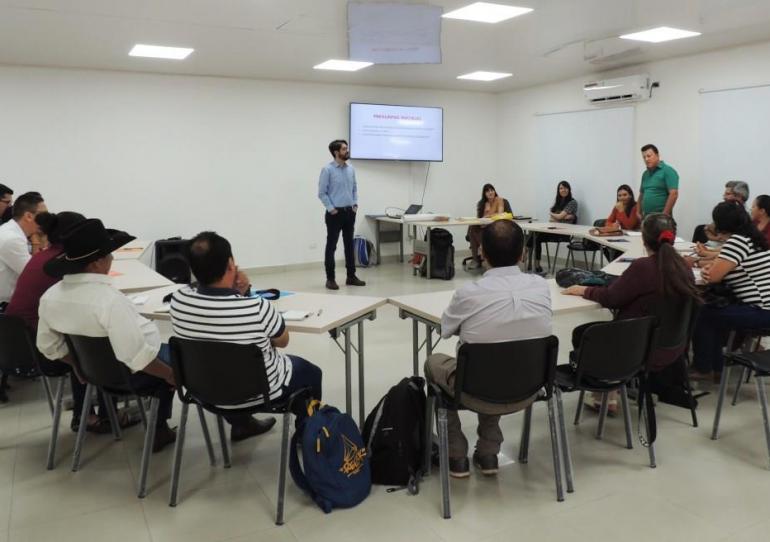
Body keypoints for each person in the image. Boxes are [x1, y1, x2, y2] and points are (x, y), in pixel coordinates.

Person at [36, 218, 177, 452]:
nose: (112, 260)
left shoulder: (50, 296)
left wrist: (78, 365)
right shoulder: (108, 301)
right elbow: (139, 358)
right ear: (96, 263)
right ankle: (159, 429)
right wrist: (171, 374)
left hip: (94, 373)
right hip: (132, 376)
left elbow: (48, 346)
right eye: (110, 255)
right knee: (179, 358)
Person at [425, 220, 551, 478]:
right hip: (529, 388)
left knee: (435, 362)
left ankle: (456, 454)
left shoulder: (468, 293)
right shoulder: (541, 287)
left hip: (475, 391)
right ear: (523, 253)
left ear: (481, 252)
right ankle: (488, 452)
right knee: (501, 361)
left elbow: (445, 329)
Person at [170, 231, 322, 434]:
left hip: (204, 390)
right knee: (311, 373)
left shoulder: (178, 300)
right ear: (231, 265)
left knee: (224, 366)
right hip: (263, 392)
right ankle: (308, 434)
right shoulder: (257, 307)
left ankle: (241, 426)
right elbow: (283, 340)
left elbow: (200, 292)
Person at [564, 213, 700, 413]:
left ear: (644, 239)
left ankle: (605, 395)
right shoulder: (684, 269)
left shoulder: (643, 267)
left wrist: (584, 289)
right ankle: (611, 392)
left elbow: (612, 298)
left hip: (638, 352)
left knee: (584, 333)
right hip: (672, 348)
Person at [691, 201, 770, 381]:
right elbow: (722, 265)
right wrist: (709, 268)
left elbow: (713, 276)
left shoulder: (737, 241)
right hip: (763, 307)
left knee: (704, 313)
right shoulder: (751, 236)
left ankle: (704, 368)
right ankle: (717, 368)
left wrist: (706, 270)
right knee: (717, 312)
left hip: (761, 310)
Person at [318, 139, 366, 290]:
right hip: (334, 214)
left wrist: (355, 203)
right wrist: (331, 208)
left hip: (349, 212)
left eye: (347, 148)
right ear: (336, 152)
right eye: (344, 149)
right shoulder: (327, 170)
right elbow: (321, 193)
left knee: (349, 245)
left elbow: (355, 188)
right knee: (331, 246)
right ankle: (330, 279)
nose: (347, 151)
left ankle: (351, 276)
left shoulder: (351, 169)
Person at [0, 192, 47, 308]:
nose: (47, 220)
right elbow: (34, 275)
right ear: (29, 216)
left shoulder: (12, 232)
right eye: (44, 216)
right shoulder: (12, 239)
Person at [528, 181, 578, 274]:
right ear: (558, 190)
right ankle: (536, 264)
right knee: (535, 235)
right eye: (561, 188)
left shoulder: (572, 202)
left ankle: (527, 254)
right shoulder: (558, 202)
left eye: (565, 188)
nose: (563, 190)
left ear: (569, 189)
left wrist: (553, 214)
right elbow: (552, 220)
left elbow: (556, 217)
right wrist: (561, 217)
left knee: (536, 236)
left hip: (564, 233)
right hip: (554, 230)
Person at [467, 183, 505, 268]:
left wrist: (489, 214)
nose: (490, 192)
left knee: (474, 232)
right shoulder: (482, 203)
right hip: (484, 227)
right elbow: (480, 218)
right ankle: (479, 256)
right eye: (487, 191)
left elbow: (500, 214)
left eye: (492, 190)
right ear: (484, 194)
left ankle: (480, 255)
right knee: (473, 229)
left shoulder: (499, 200)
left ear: (495, 191)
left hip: (496, 228)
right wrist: (486, 209)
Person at [638, 144, 678, 217]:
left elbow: (673, 194)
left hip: (661, 218)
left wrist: (664, 215)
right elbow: (641, 194)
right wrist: (638, 212)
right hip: (646, 217)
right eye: (644, 157)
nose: (646, 159)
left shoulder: (668, 171)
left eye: (649, 156)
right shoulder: (645, 174)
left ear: (657, 155)